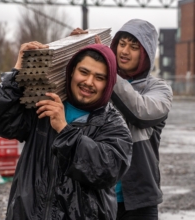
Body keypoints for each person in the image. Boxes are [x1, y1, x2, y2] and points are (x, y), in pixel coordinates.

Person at [0, 42, 133, 220]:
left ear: (108, 83)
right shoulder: (44, 106)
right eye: (84, 72)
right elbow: (1, 123)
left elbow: (106, 172)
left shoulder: (113, 124)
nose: (88, 82)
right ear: (72, 71)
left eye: (99, 77)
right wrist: (18, 71)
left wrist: (64, 130)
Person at [71, 19, 173, 220]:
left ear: (146, 53)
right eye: (122, 44)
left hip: (138, 201)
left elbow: (140, 111)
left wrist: (108, 69)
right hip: (96, 194)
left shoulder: (160, 89)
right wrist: (77, 51)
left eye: (134, 47)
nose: (125, 51)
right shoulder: (99, 79)